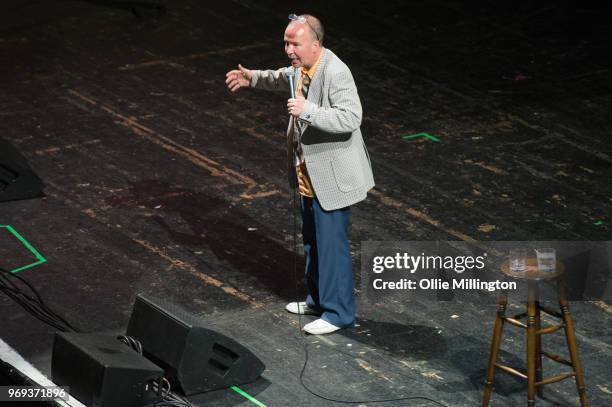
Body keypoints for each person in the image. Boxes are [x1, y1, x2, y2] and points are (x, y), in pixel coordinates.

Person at [225, 14, 374, 335]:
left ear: (316, 43)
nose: (289, 50)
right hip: (309, 172)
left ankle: (339, 313)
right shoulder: (302, 67)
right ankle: (318, 299)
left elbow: (351, 118)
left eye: (295, 44)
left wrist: (307, 110)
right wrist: (252, 77)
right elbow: (282, 77)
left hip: (333, 177)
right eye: (286, 43)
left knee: (331, 245)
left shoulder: (336, 72)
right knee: (312, 240)